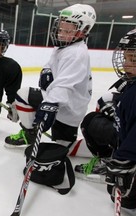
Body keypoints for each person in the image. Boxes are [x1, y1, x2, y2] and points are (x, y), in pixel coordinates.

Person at [4, 4, 96, 193]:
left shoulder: (77, 53)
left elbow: (64, 86)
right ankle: (30, 133)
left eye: (68, 28)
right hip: (59, 99)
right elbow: (51, 65)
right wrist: (47, 71)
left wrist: (50, 105)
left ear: (83, 30)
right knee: (23, 95)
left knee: (63, 148)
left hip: (68, 108)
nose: (62, 31)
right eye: (61, 26)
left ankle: (99, 150)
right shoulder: (65, 46)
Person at [76, 29, 136, 210]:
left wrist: (124, 160)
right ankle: (107, 159)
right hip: (125, 139)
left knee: (126, 201)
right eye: (126, 58)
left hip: (131, 151)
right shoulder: (131, 85)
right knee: (91, 120)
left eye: (133, 60)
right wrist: (115, 105)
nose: (125, 65)